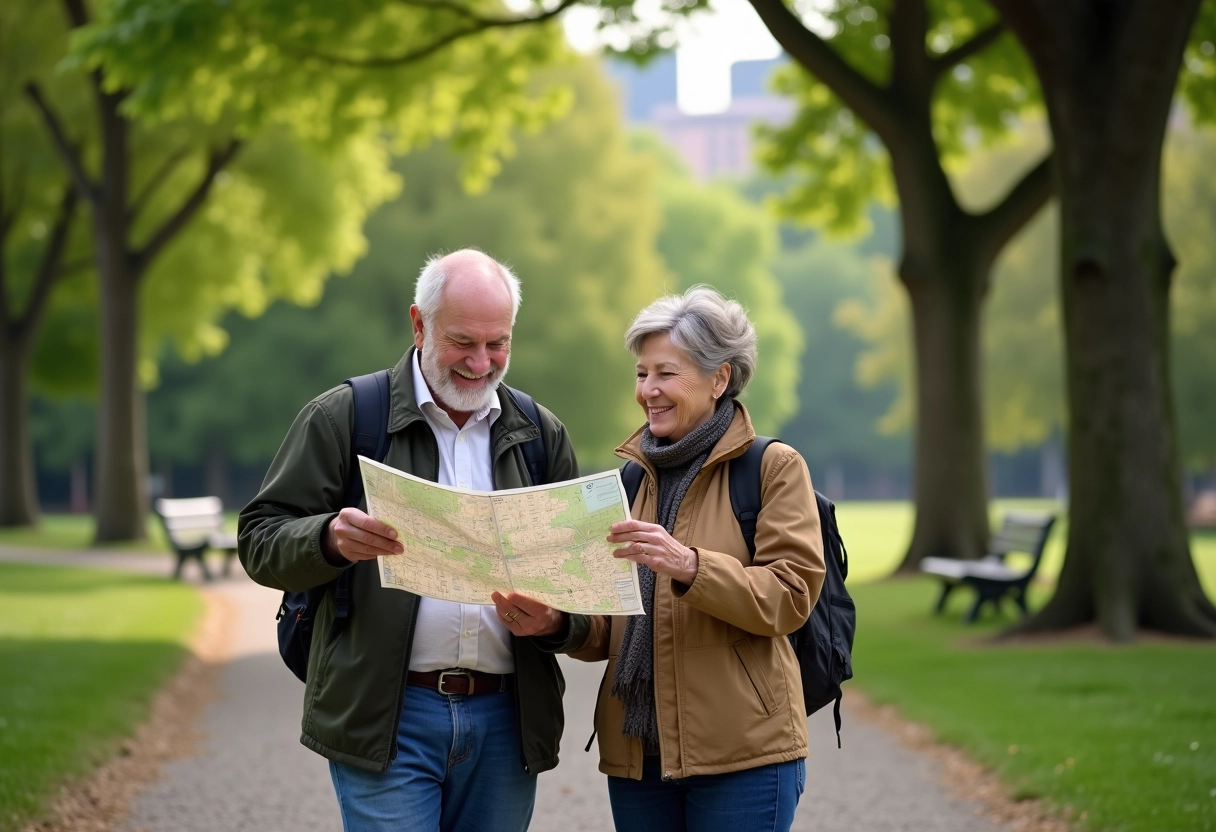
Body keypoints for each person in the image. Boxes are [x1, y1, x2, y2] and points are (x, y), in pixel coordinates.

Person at [238, 249, 580, 832]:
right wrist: (328, 539)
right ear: (419, 324)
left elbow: (577, 579)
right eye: (462, 341)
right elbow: (259, 538)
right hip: (386, 714)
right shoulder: (346, 416)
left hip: (506, 718)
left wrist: (556, 620)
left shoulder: (539, 435)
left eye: (497, 343)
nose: (481, 361)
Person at [494, 285, 827, 832]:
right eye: (642, 374)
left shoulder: (773, 467)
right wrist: (557, 624)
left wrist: (692, 566)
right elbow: (610, 628)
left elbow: (789, 598)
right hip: (637, 756)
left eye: (666, 373)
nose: (648, 390)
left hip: (741, 754)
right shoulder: (627, 480)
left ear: (719, 377)